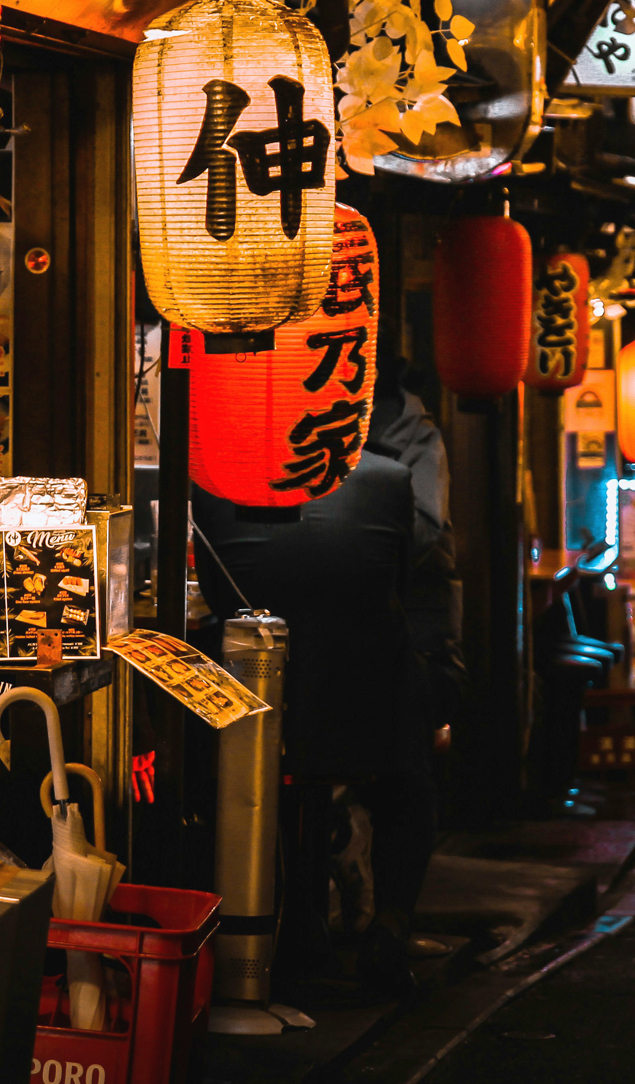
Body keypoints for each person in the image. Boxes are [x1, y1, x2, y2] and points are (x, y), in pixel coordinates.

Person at [194, 359, 463, 996]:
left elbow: (209, 591)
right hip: (366, 690)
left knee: (274, 777)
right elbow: (393, 581)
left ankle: (292, 922)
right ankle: (391, 927)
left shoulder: (212, 483)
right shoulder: (390, 479)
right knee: (409, 783)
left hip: (252, 693)